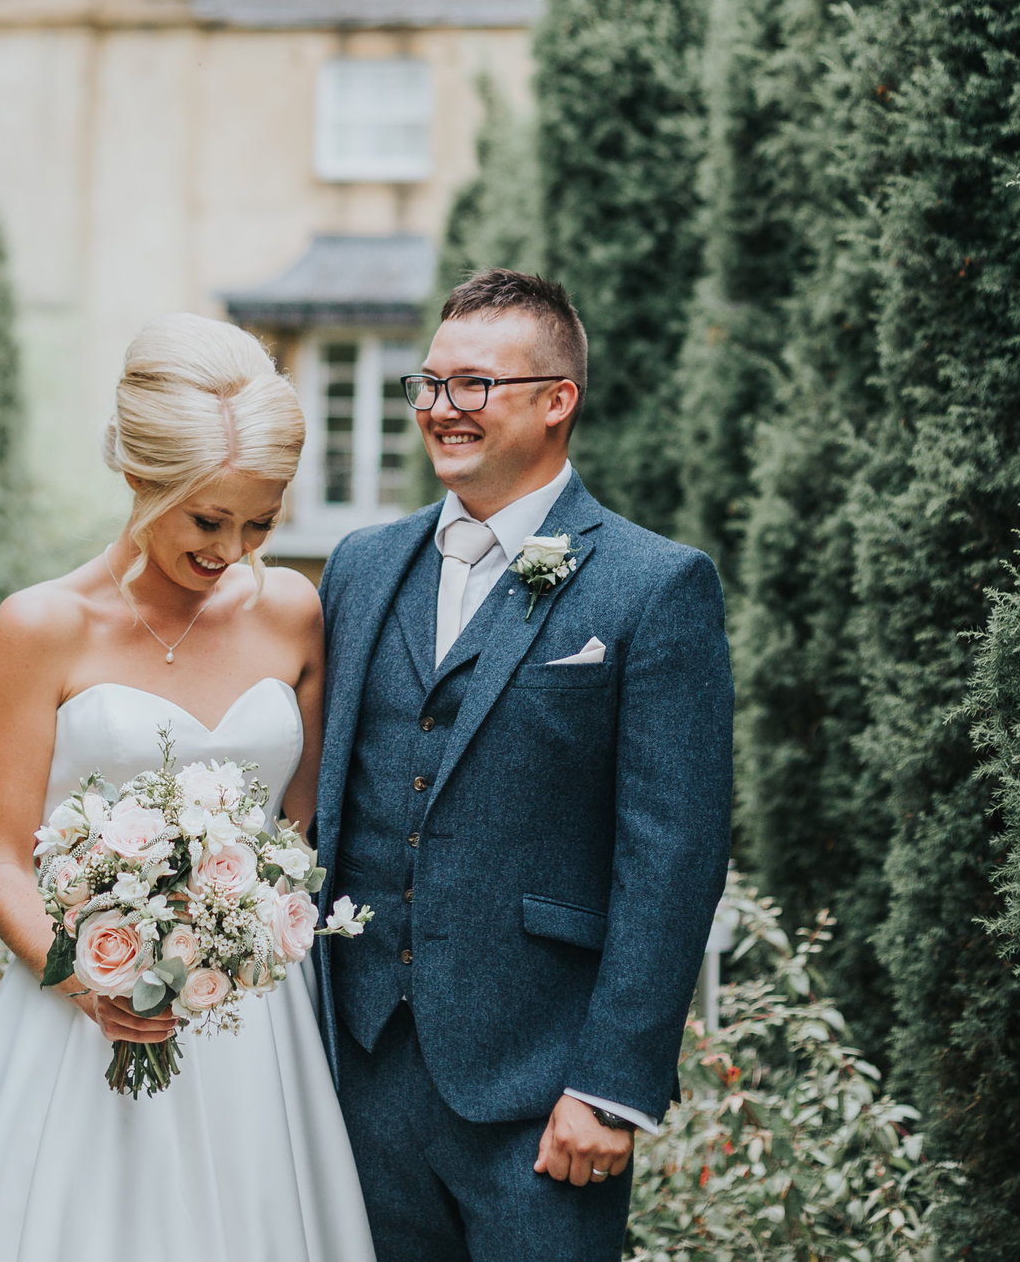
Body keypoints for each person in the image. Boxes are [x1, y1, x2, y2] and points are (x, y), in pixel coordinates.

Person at [0, 314, 376, 1262]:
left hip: (251, 1024)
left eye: (262, 520)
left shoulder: (293, 613)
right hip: (81, 1016)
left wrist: (240, 928)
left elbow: (299, 830)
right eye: (206, 518)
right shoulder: (40, 626)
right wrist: (85, 977)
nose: (233, 548)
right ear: (141, 479)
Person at [315, 268, 734, 1262]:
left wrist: (610, 1084)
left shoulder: (654, 584)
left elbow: (672, 856)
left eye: (474, 386)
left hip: (544, 1092)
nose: (441, 410)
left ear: (557, 400)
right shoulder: (359, 565)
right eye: (428, 384)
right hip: (358, 1070)